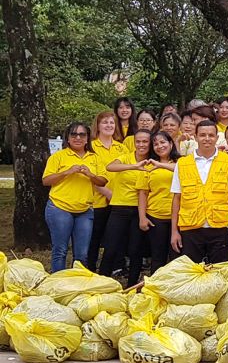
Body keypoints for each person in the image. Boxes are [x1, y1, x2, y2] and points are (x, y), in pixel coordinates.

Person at [170, 121, 228, 264]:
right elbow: (177, 198)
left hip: (220, 226)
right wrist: (174, 231)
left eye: (211, 135)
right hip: (190, 226)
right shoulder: (182, 163)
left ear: (217, 138)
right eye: (202, 135)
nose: (207, 138)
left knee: (220, 272)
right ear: (195, 137)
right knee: (192, 273)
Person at [42, 122, 108, 272]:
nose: (77, 137)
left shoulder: (95, 158)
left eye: (82, 134)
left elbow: (103, 181)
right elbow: (46, 180)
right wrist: (67, 172)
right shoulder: (58, 156)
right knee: (60, 251)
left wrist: (90, 174)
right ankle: (58, 283)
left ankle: (78, 285)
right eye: (73, 134)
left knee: (82, 254)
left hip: (85, 210)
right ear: (68, 138)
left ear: (87, 139)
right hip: (60, 208)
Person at [100, 130, 152, 286]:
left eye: (145, 142)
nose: (141, 145)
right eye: (138, 141)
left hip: (140, 210)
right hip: (120, 207)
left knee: (135, 250)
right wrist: (134, 166)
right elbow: (110, 167)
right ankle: (102, 282)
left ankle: (131, 285)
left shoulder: (153, 161)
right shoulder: (125, 157)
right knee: (111, 247)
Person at [87, 110, 128, 271]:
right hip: (98, 199)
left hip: (119, 199)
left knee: (115, 238)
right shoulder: (91, 147)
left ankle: (114, 267)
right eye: (105, 122)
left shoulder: (121, 148)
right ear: (97, 125)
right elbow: (91, 175)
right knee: (95, 238)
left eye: (112, 122)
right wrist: (107, 193)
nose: (109, 125)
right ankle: (89, 268)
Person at [138, 131, 180, 272]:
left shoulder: (182, 161)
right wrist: (142, 217)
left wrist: (160, 165)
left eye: (163, 142)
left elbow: (181, 171)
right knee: (158, 257)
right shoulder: (148, 166)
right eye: (155, 144)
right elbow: (143, 193)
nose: (159, 146)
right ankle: (154, 289)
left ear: (171, 143)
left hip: (180, 217)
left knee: (177, 256)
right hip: (156, 216)